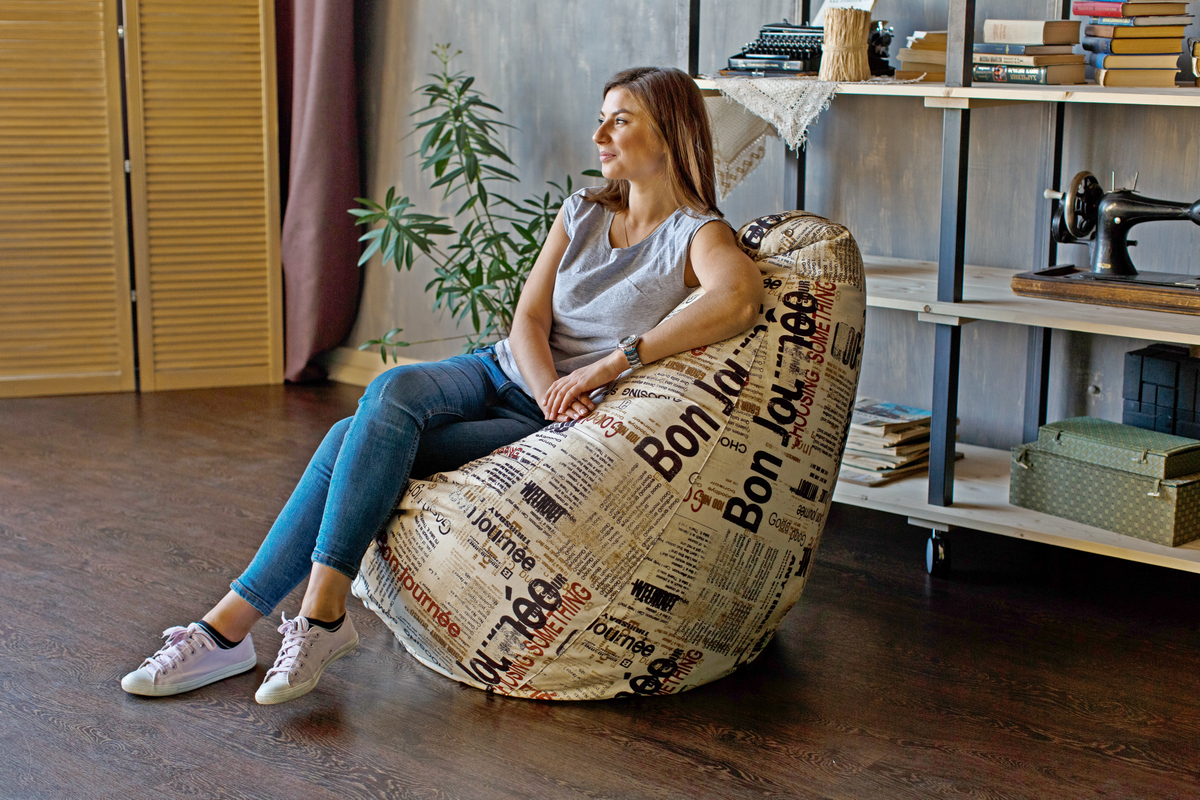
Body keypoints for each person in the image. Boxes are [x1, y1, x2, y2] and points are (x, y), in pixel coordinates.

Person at [121, 66, 763, 704]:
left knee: (348, 438)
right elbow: (529, 319)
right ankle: (319, 616)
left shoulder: (696, 233)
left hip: (541, 421)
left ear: (670, 132)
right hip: (502, 370)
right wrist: (548, 384)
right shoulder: (583, 212)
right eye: (601, 118)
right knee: (393, 389)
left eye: (619, 121)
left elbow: (738, 299)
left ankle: (228, 629)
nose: (599, 135)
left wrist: (613, 364)